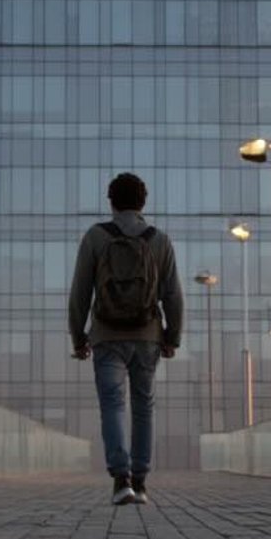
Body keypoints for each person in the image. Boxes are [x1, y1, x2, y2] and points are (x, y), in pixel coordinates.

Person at [69, 172, 183, 505]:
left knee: (113, 405)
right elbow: (173, 295)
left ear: (111, 201)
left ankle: (121, 480)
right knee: (144, 406)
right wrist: (172, 337)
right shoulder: (159, 240)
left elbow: (80, 292)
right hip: (147, 336)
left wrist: (79, 337)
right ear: (143, 203)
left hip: (106, 336)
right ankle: (142, 481)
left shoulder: (95, 237)